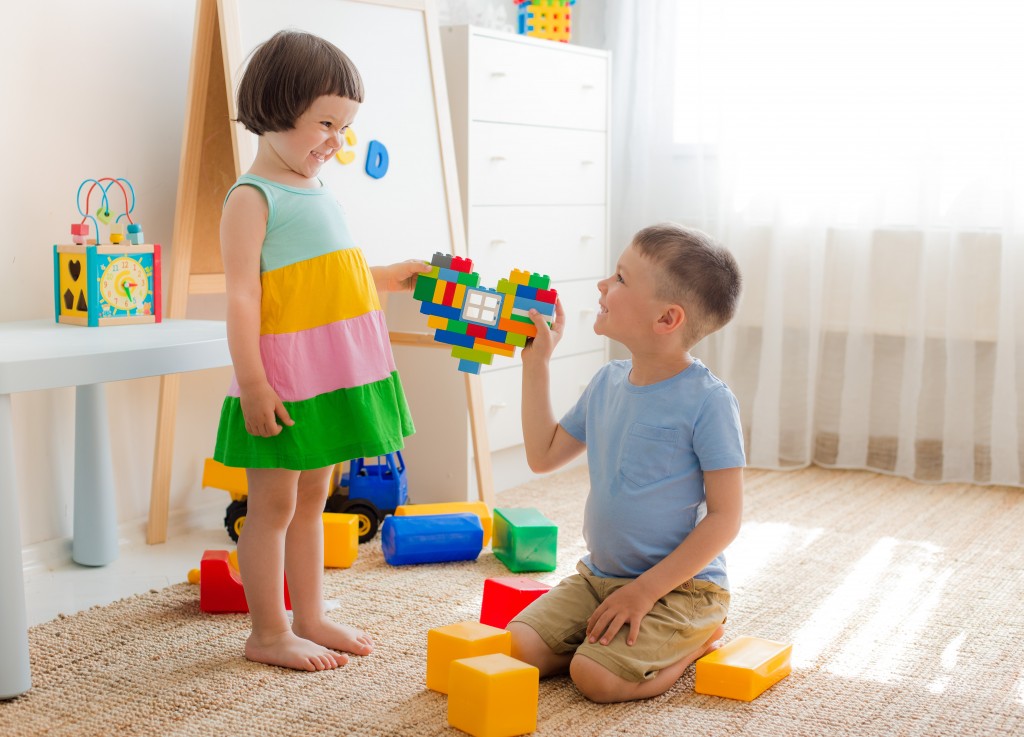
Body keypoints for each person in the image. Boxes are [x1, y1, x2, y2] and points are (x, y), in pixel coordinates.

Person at [212, 30, 429, 672]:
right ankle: (268, 632)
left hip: (327, 379)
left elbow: (335, 272)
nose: (336, 141)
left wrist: (391, 275)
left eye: (346, 126)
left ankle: (309, 616)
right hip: (282, 381)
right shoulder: (253, 197)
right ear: (277, 109)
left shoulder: (316, 188)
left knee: (315, 500)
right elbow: (244, 298)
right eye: (325, 123)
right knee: (272, 507)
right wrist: (253, 384)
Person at [510, 223, 745, 703]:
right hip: (599, 577)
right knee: (519, 647)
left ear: (666, 319)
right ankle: (608, 641)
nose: (602, 285)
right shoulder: (606, 382)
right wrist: (537, 364)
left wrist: (644, 592)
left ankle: (696, 641)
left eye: (619, 278)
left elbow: (726, 518)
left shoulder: (709, 402)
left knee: (594, 679)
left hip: (681, 589)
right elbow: (543, 456)